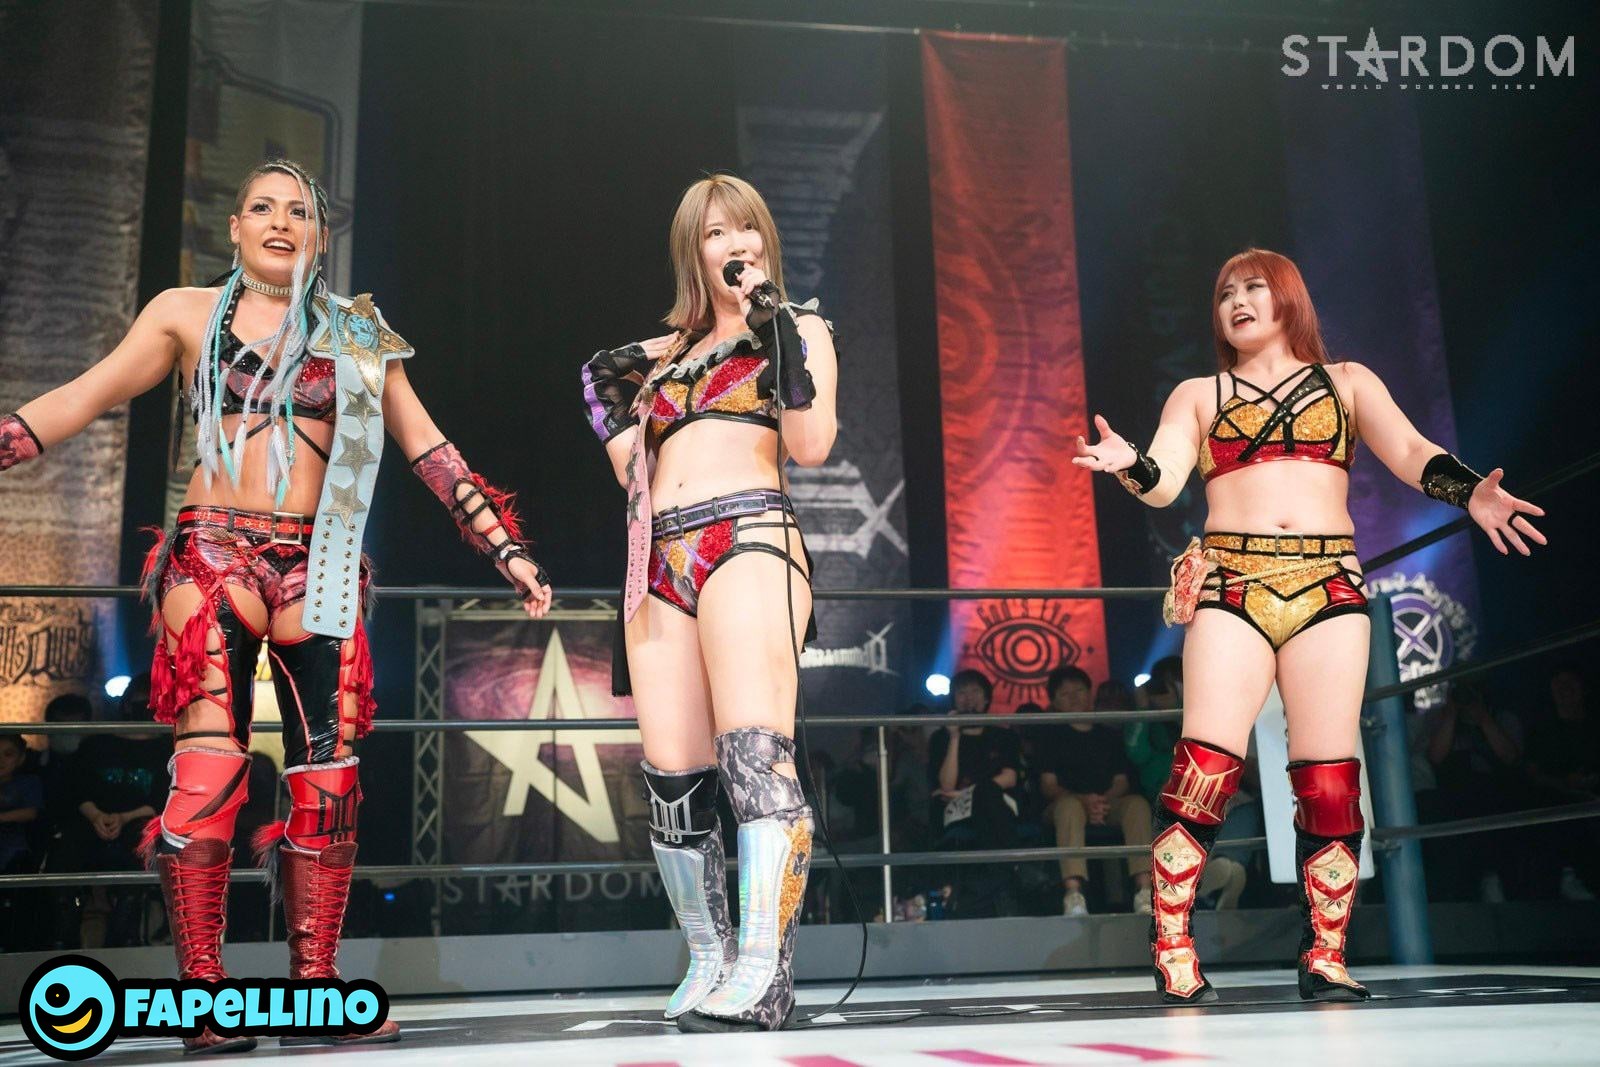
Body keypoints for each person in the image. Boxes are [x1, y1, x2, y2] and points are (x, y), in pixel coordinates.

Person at [2, 159, 552, 1051]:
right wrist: (9, 440)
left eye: (299, 210)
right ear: (235, 226)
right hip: (211, 552)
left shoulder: (356, 332)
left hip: (316, 561)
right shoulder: (184, 312)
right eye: (262, 207)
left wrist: (507, 549)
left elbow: (429, 448)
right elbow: (88, 393)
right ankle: (204, 995)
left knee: (329, 783)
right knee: (207, 776)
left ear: (321, 235)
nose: (280, 222)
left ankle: (315, 988)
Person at [1073, 248, 1546, 1003]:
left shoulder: (1349, 382)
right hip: (1232, 580)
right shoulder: (1197, 394)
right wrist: (1129, 462)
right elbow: (1163, 483)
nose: (1237, 300)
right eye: (1225, 292)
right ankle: (1172, 943)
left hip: (1329, 580)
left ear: (1288, 297)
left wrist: (1472, 494)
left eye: (1254, 287)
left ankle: (1325, 954)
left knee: (1329, 776)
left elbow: (1411, 451)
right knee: (1204, 767)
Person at [580, 174, 838, 1032]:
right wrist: (677, 347)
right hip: (659, 556)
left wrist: (772, 322)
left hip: (749, 533)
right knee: (673, 777)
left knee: (754, 755)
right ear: (694, 249)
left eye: (747, 228)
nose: (737, 243)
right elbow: (622, 446)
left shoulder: (798, 329)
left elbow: (811, 442)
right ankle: (710, 955)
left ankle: (766, 969)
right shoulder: (661, 359)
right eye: (717, 231)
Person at [1036, 667, 1153, 915]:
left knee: (1137, 805)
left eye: (1079, 690)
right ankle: (1073, 894)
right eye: (1065, 694)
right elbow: (1048, 785)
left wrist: (1101, 802)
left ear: (1090, 693)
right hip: (1066, 804)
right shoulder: (1048, 736)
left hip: (1106, 803)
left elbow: (1121, 781)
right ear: (1054, 702)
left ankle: (1144, 890)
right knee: (1069, 808)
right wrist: (1083, 801)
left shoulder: (1108, 735)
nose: (1074, 697)